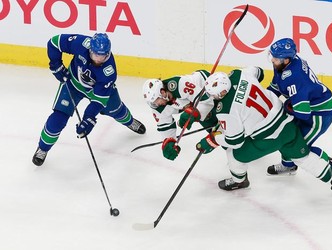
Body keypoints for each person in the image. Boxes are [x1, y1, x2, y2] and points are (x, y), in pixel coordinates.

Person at [195, 67, 332, 198]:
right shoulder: (238, 74)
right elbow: (259, 72)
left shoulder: (226, 111)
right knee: (303, 157)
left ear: (221, 93)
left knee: (234, 155)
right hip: (287, 124)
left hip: (267, 138)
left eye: (213, 94)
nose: (212, 97)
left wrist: (212, 139)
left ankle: (239, 181)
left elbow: (235, 141)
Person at [32, 33, 146, 166]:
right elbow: (54, 43)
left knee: (117, 110)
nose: (98, 59)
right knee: (58, 118)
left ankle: (130, 122)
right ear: (90, 50)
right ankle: (43, 148)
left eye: (102, 56)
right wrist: (56, 64)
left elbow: (98, 101)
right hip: (72, 84)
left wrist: (88, 118)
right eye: (95, 54)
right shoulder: (81, 43)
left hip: (97, 92)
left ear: (108, 53)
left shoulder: (109, 71)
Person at [266, 37, 332, 183]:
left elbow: (303, 113)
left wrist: (288, 107)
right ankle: (288, 166)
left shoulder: (296, 78)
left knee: (298, 146)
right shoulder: (284, 65)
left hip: (319, 115)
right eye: (273, 57)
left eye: (276, 58)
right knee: (285, 136)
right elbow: (275, 87)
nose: (272, 61)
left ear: (286, 60)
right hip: (307, 105)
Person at [142, 70, 218, 160]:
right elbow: (165, 125)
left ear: (162, 93)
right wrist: (169, 142)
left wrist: (192, 112)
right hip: (197, 104)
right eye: (153, 103)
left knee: (226, 120)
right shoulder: (158, 107)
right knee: (217, 131)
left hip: (210, 87)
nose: (156, 105)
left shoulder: (179, 85)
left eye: (156, 101)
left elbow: (205, 101)